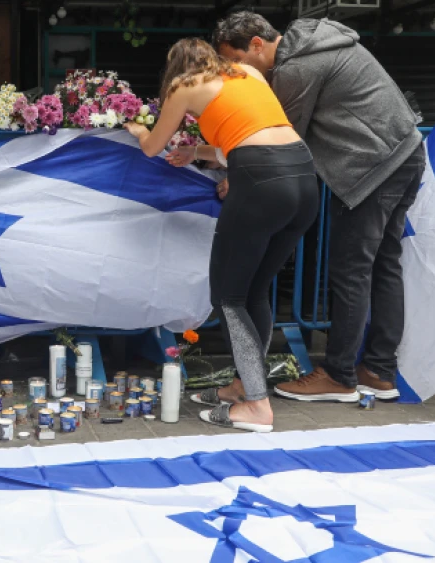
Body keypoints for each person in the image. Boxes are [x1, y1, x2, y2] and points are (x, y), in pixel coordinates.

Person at [213, 13, 425, 403]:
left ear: (257, 44)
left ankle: (340, 375)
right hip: (406, 153)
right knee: (384, 265)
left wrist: (234, 176)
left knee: (351, 271)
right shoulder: (317, 41)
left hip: (371, 169)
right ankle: (378, 370)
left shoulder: (298, 66)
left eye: (237, 61)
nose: (236, 72)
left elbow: (280, 138)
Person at [125, 38, 318, 432]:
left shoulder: (183, 86)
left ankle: (258, 407)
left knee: (228, 299)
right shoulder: (246, 72)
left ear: (175, 68)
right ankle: (244, 386)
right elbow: (248, 132)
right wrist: (197, 152)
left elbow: (152, 148)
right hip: (304, 178)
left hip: (261, 184)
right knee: (254, 292)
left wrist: (136, 129)